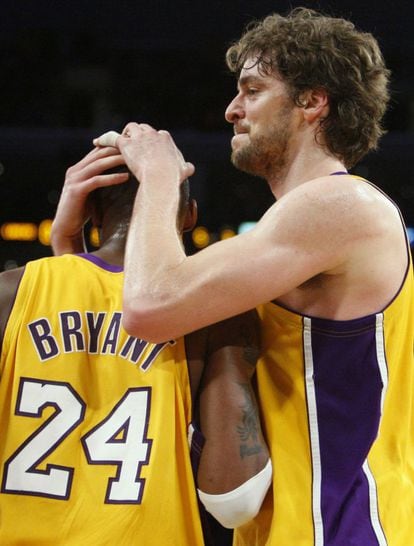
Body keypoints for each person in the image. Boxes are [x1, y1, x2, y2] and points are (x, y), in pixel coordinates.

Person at [103, 7, 414, 546]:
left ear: (313, 101)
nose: (231, 110)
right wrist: (66, 247)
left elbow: (149, 307)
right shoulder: (299, 225)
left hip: (341, 531)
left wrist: (156, 177)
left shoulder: (340, 204)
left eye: (252, 89)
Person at [0, 144, 271, 545]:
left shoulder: (9, 295)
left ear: (90, 213)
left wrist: (65, 253)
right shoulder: (213, 311)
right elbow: (234, 500)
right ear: (190, 215)